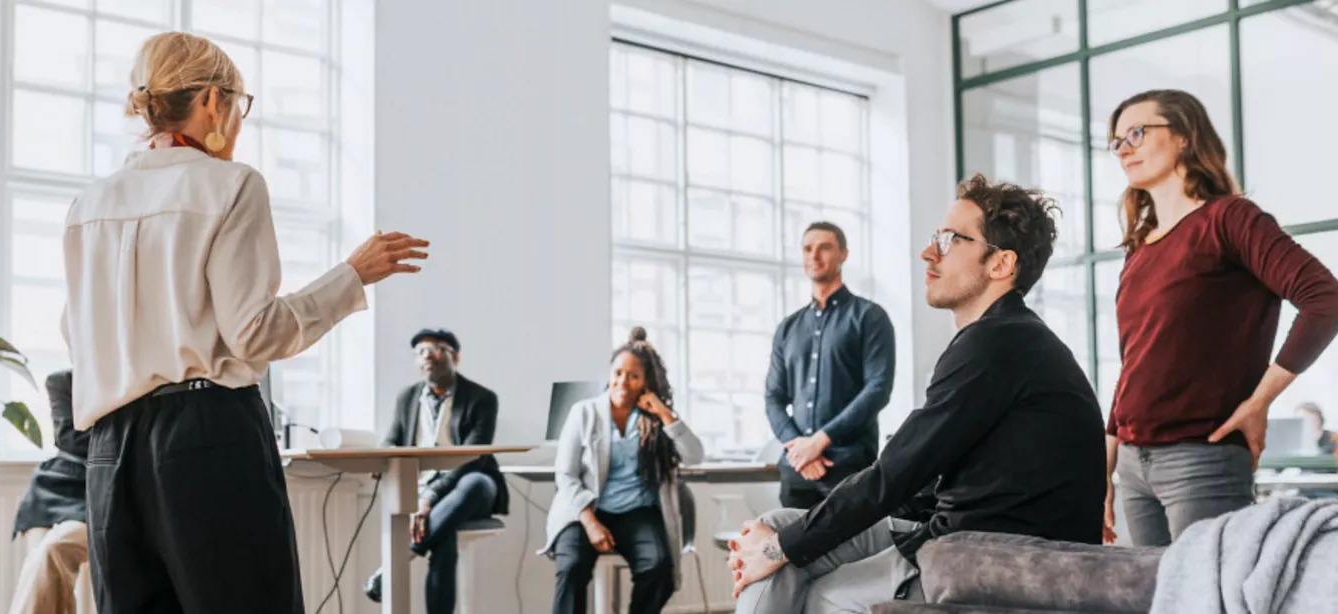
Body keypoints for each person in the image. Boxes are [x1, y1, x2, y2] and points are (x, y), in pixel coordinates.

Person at [62, 32, 427, 613]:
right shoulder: (232, 185)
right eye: (238, 104)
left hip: (109, 448)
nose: (237, 121)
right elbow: (255, 331)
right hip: (204, 436)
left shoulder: (89, 204)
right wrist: (351, 276)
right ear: (211, 100)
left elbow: (76, 336)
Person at [726, 175, 1105, 614]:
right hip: (950, 533)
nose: (929, 252)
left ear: (1000, 264)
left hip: (987, 559)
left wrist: (780, 552)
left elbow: (894, 473)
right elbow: (921, 477)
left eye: (950, 239)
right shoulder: (1002, 337)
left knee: (805, 583)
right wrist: (781, 544)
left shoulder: (997, 344)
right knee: (773, 527)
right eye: (934, 238)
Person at [1103, 89, 1338, 547]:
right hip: (1131, 464)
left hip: (1201, 458)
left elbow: (1324, 298)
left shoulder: (1230, 219)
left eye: (1136, 132)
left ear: (1185, 136)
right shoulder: (1139, 247)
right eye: (1116, 142)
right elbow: (1136, 361)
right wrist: (1108, 458)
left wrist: (1259, 402)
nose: (1124, 149)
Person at [540, 328, 705, 614]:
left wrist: (666, 415)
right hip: (584, 510)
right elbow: (565, 475)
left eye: (633, 376)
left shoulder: (655, 419)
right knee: (572, 567)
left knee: (659, 567)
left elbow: (695, 456)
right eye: (617, 373)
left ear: (647, 382)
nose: (623, 383)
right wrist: (590, 523)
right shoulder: (584, 412)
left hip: (637, 512)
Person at [363, 328, 508, 613]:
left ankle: (395, 563)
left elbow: (472, 458)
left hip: (469, 489)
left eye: (436, 349)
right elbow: (393, 438)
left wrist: (428, 498)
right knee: (444, 539)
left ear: (456, 356)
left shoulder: (482, 399)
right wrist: (381, 459)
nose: (428, 355)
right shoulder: (407, 398)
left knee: (476, 481)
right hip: (421, 494)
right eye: (420, 352)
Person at [765, 222, 895, 508]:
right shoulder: (788, 327)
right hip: (796, 469)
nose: (815, 255)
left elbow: (878, 389)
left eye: (825, 247)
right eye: (808, 248)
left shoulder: (870, 317)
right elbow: (773, 397)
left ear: (843, 255)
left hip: (849, 468)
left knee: (850, 553)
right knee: (789, 553)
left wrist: (820, 441)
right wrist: (798, 446)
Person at [8, 370, 94, 614]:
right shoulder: (61, 380)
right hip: (53, 487)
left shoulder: (125, 378)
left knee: (50, 554)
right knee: (40, 566)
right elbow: (68, 438)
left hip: (97, 489)